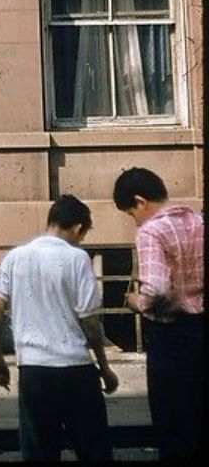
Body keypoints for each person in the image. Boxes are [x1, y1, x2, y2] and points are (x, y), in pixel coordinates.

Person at [0, 194, 118, 462]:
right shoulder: (77, 258)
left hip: (33, 369)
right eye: (82, 235)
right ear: (78, 228)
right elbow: (90, 321)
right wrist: (104, 367)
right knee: (93, 448)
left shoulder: (14, 258)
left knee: (40, 451)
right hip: (75, 368)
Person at [113, 167, 204, 461]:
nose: (134, 220)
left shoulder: (151, 231)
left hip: (172, 337)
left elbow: (157, 294)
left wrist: (133, 300)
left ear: (140, 201)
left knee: (172, 422)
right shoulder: (198, 220)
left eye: (130, 213)